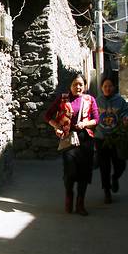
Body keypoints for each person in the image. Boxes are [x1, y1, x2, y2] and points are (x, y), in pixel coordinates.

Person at [44, 73, 99, 215]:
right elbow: (48, 116)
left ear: (84, 86)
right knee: (70, 171)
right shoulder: (63, 99)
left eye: (81, 84)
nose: (78, 87)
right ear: (70, 86)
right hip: (68, 139)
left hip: (85, 140)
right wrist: (57, 127)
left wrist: (85, 124)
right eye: (75, 84)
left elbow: (96, 119)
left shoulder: (90, 99)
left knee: (84, 173)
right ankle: (69, 194)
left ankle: (80, 203)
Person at [94, 77, 128, 204]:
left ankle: (115, 177)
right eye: (105, 86)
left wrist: (126, 117)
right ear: (101, 88)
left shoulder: (120, 101)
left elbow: (127, 111)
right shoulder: (97, 101)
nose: (107, 88)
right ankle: (107, 191)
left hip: (116, 138)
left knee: (120, 164)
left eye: (110, 86)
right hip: (101, 138)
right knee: (104, 167)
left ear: (114, 87)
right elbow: (91, 115)